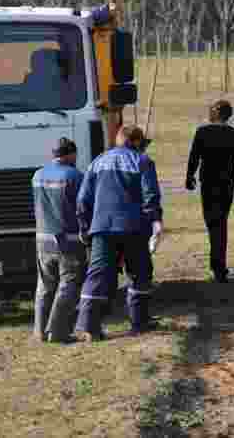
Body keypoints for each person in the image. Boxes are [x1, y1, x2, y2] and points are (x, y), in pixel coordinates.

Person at [74, 125, 164, 340]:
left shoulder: (97, 162)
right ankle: (139, 323)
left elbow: (82, 200)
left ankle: (88, 326)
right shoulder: (142, 162)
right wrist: (155, 220)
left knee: (97, 275)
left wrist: (84, 227)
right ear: (136, 142)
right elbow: (150, 195)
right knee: (139, 273)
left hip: (102, 227)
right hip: (134, 228)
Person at [185, 99, 234, 283]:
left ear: (213, 114)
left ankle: (218, 265)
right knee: (220, 223)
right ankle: (218, 266)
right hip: (227, 184)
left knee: (213, 223)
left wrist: (189, 176)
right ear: (229, 115)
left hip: (208, 184)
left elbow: (194, 156)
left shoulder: (202, 132)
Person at [31, 137, 86, 343]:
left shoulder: (37, 175)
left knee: (44, 285)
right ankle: (58, 331)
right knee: (68, 284)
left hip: (42, 239)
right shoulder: (74, 176)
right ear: (70, 154)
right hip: (68, 240)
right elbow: (83, 208)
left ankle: (39, 331)